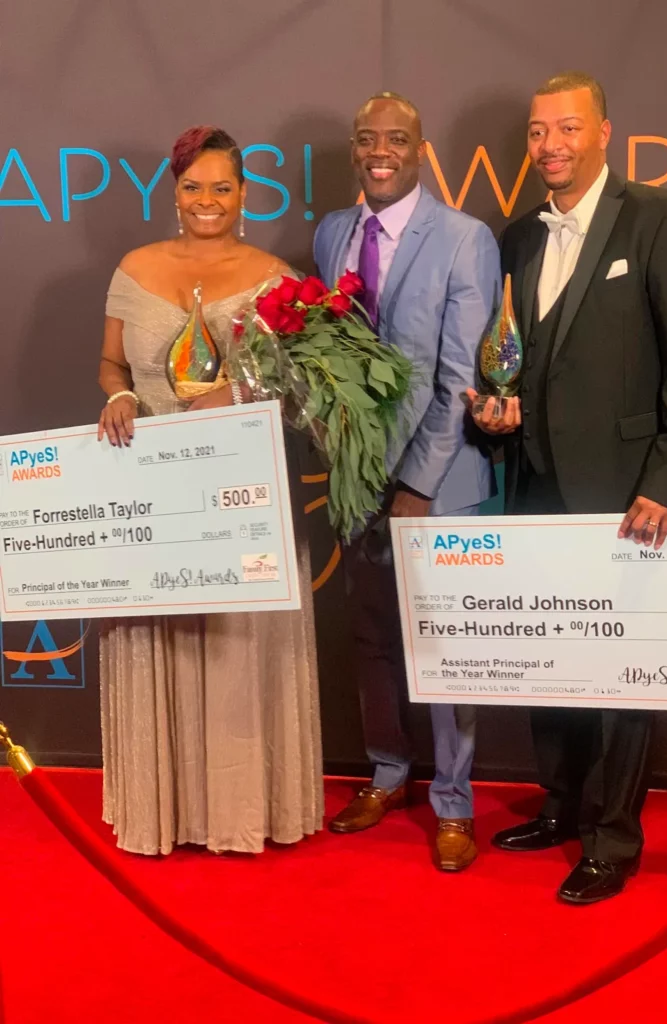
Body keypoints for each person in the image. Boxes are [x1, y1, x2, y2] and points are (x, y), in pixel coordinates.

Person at [468, 72, 667, 903]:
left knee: (622, 679)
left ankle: (613, 838)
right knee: (553, 660)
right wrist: (498, 416)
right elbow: (520, 364)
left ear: (605, 133)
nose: (550, 146)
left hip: (630, 493)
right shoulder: (515, 240)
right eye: (539, 132)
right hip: (536, 484)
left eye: (567, 130)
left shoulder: (663, 220)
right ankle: (564, 808)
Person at [97, 126, 323, 855]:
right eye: (193, 187)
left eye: (221, 187)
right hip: (151, 493)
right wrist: (118, 398)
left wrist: (240, 388)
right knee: (162, 636)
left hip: (240, 493)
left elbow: (298, 381)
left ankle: (240, 808)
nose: (206, 201)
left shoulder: (274, 275)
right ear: (174, 193)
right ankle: (160, 804)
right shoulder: (133, 269)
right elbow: (110, 364)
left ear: (244, 196)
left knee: (234, 646)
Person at [314, 92, 501, 872]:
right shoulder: (331, 233)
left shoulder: (465, 240)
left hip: (441, 485)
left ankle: (453, 802)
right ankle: (388, 773)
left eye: (396, 139)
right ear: (355, 150)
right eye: (366, 139)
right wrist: (352, 467)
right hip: (357, 483)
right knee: (372, 641)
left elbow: (460, 376)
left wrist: (417, 486)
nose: (379, 150)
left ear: (420, 150)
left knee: (447, 651)